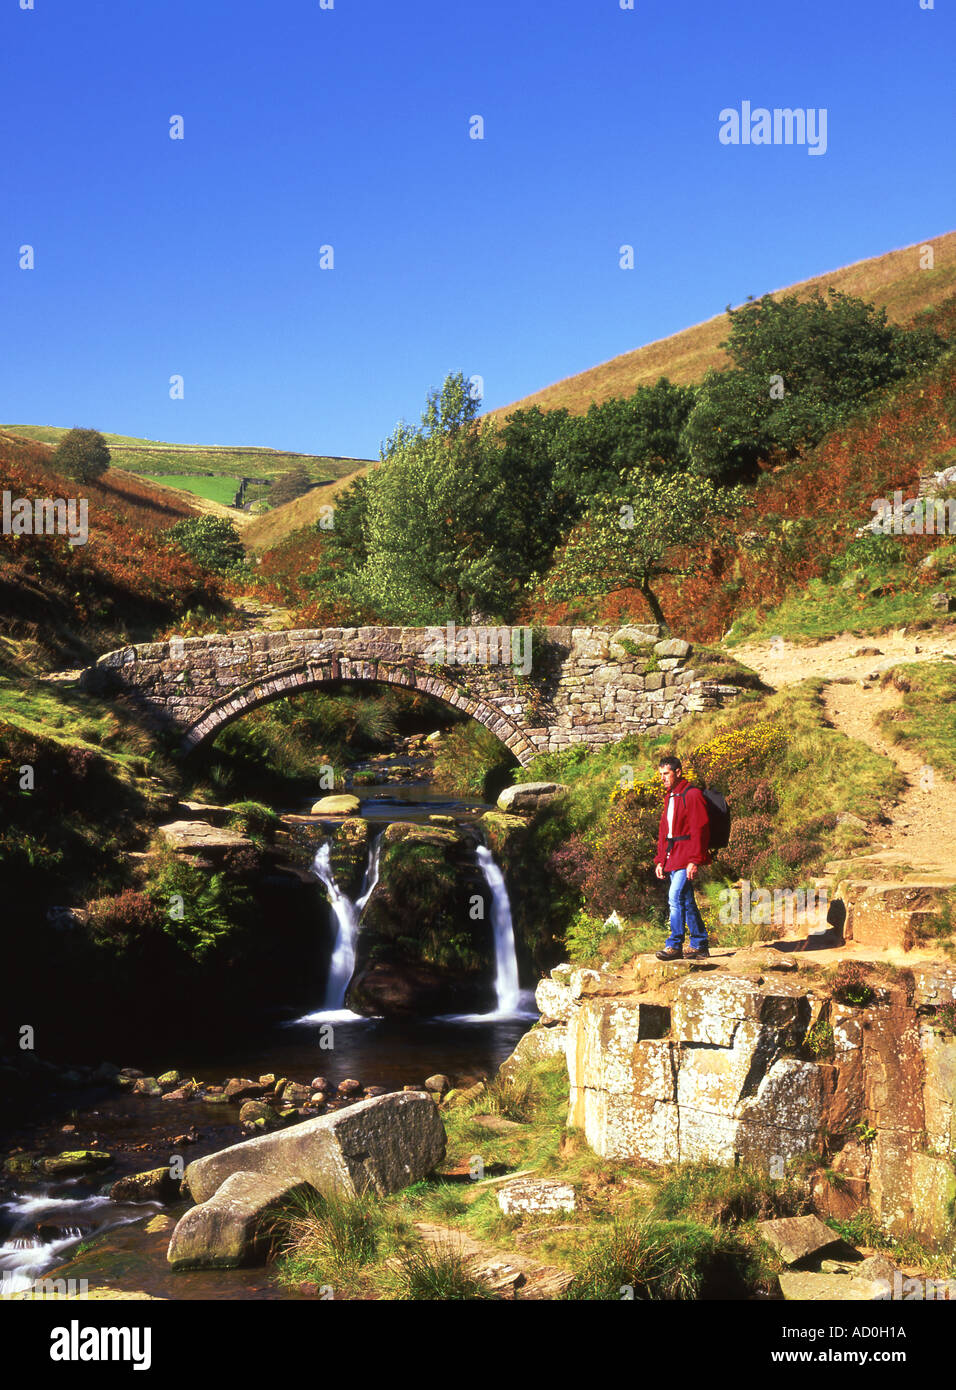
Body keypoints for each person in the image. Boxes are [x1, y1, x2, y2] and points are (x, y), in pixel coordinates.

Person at [653, 755, 710, 960]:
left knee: (674, 897)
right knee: (686, 901)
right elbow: (664, 832)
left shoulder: (692, 795)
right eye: (661, 774)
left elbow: (699, 829)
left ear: (678, 772)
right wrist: (660, 859)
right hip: (672, 856)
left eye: (666, 774)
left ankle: (675, 945)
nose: (663, 778)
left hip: (686, 856)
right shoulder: (670, 796)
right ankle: (700, 944)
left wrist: (695, 860)